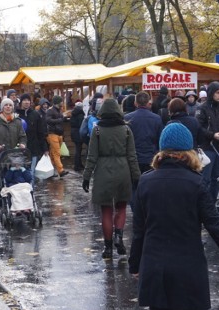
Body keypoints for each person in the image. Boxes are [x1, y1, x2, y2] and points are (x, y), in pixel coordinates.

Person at [129, 122, 219, 310]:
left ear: (162, 150)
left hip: (155, 268)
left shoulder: (145, 182)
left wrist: (135, 265)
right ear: (189, 151)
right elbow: (215, 228)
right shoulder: (196, 183)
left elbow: (139, 231)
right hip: (189, 270)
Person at [82, 98, 140, 259]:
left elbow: (91, 156)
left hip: (103, 171)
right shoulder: (127, 130)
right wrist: (137, 177)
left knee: (106, 210)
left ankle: (107, 248)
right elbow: (132, 156)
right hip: (123, 170)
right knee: (121, 208)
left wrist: (86, 177)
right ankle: (118, 237)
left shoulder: (97, 130)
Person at [195, 82, 219, 202]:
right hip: (207, 149)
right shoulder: (202, 108)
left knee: (217, 178)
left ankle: (211, 202)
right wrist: (212, 135)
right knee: (205, 178)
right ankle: (203, 203)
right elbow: (199, 128)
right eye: (217, 93)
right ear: (211, 93)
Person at [0, 97, 27, 204]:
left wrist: (23, 144)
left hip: (15, 157)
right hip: (0, 157)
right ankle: (3, 204)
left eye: (10, 105)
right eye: (6, 105)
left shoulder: (17, 121)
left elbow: (23, 136)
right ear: (2, 107)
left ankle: (17, 203)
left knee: (16, 181)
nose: (8, 107)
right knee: (1, 182)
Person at [124, 91, 164, 180]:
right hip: (151, 158)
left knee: (134, 187)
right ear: (148, 103)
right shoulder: (156, 118)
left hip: (133, 159)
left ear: (135, 103)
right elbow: (160, 140)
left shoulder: (127, 118)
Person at [16, 93, 48, 181]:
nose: (26, 102)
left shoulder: (35, 114)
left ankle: (31, 191)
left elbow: (41, 132)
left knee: (31, 172)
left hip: (33, 148)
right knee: (20, 172)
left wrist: (45, 148)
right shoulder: (15, 115)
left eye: (28, 100)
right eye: (24, 100)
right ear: (21, 102)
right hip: (19, 149)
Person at [45, 95, 70, 178]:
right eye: (61, 101)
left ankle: (50, 170)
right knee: (57, 153)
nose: (62, 103)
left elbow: (60, 119)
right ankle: (61, 170)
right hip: (52, 134)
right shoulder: (50, 111)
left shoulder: (59, 110)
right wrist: (60, 120)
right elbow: (48, 120)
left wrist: (65, 118)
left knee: (53, 153)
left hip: (59, 134)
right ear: (58, 102)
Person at [70, 101, 86, 171]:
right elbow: (81, 125)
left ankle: (79, 164)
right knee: (78, 150)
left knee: (78, 149)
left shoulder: (73, 113)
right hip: (78, 133)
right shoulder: (80, 115)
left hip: (73, 132)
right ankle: (77, 166)